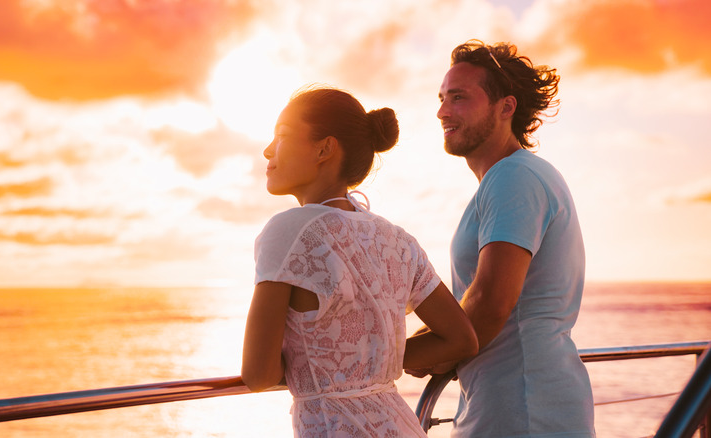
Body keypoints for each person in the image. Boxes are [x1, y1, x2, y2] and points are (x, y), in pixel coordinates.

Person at [241, 86, 479, 437]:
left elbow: (258, 374)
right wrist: (373, 363)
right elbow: (461, 339)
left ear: (324, 148)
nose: (267, 149)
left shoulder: (288, 230)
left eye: (282, 136)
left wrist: (329, 369)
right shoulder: (398, 240)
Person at [407, 40, 596, 437]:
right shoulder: (514, 177)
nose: (442, 111)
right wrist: (425, 345)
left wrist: (389, 358)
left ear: (505, 107)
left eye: (458, 98)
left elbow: (490, 304)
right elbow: (474, 304)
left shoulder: (515, 177)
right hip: (519, 406)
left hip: (525, 413)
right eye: (442, 99)